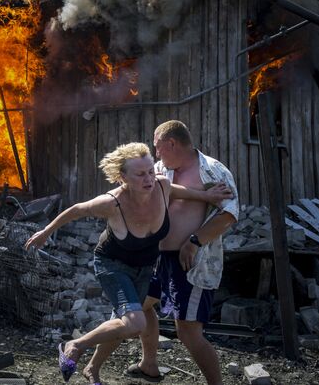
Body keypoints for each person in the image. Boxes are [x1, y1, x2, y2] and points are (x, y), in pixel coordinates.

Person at [24, 142, 232, 384]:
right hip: (113, 265)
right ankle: (74, 345)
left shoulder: (162, 186)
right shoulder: (112, 203)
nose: (149, 179)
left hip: (145, 267)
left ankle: (132, 365)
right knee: (134, 323)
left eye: (150, 172)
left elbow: (179, 191)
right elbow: (76, 210)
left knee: (131, 317)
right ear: (123, 177)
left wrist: (206, 196)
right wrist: (45, 232)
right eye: (140, 174)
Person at [110, 120, 237, 385]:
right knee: (139, 305)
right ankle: (149, 364)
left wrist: (194, 242)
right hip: (155, 259)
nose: (157, 155)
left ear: (172, 144)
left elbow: (229, 214)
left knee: (188, 332)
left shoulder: (213, 171)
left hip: (191, 261)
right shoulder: (157, 170)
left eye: (158, 148)